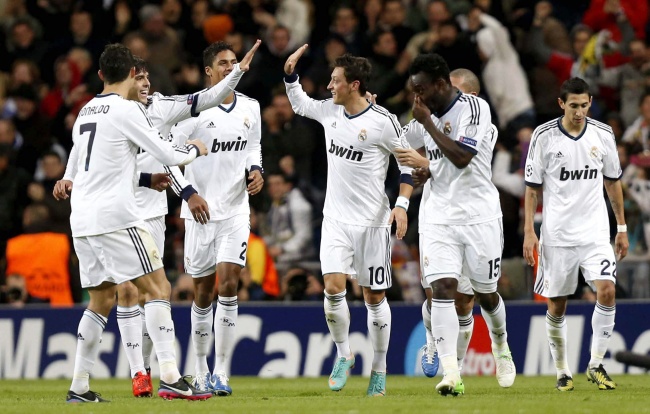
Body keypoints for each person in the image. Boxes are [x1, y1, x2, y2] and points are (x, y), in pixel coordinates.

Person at [57, 40, 261, 398]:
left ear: (101, 74)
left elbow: (92, 165)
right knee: (158, 289)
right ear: (130, 74)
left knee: (100, 299)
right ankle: (169, 376)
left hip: (83, 220)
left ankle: (79, 386)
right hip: (117, 217)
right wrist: (194, 149)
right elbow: (166, 152)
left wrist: (143, 179)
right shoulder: (127, 111)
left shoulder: (86, 111)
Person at [283, 45, 414, 396]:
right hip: (336, 219)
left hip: (372, 223)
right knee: (332, 286)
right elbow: (301, 104)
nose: (329, 86)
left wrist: (401, 205)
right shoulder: (330, 111)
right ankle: (344, 354)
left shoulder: (383, 122)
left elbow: (407, 166)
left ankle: (379, 369)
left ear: (354, 85)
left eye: (335, 80)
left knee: (374, 297)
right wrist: (290, 76)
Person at [395, 53, 516, 396]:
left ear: (440, 84)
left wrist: (428, 140)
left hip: (479, 217)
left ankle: (500, 345)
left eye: (421, 89)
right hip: (439, 216)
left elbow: (462, 158)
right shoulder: (423, 115)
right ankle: (451, 373)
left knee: (486, 293)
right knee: (443, 288)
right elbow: (399, 145)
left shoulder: (475, 110)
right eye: (413, 91)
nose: (417, 98)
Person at [169, 40, 264, 397]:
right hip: (200, 213)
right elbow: (169, 155)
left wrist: (257, 170)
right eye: (223, 63)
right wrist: (188, 194)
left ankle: (222, 371)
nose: (230, 67)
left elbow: (253, 145)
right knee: (203, 293)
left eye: (234, 62)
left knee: (229, 284)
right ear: (208, 71)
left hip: (236, 210)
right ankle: (200, 368)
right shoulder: (191, 111)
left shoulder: (251, 107)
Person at [523, 77, 629, 392]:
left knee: (607, 291)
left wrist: (621, 227)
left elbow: (613, 181)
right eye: (573, 106)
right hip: (557, 236)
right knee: (557, 305)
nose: (580, 112)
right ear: (561, 104)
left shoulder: (603, 134)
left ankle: (596, 364)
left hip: (595, 233)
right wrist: (529, 231)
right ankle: (562, 371)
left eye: (584, 105)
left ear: (590, 102)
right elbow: (532, 189)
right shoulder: (543, 136)